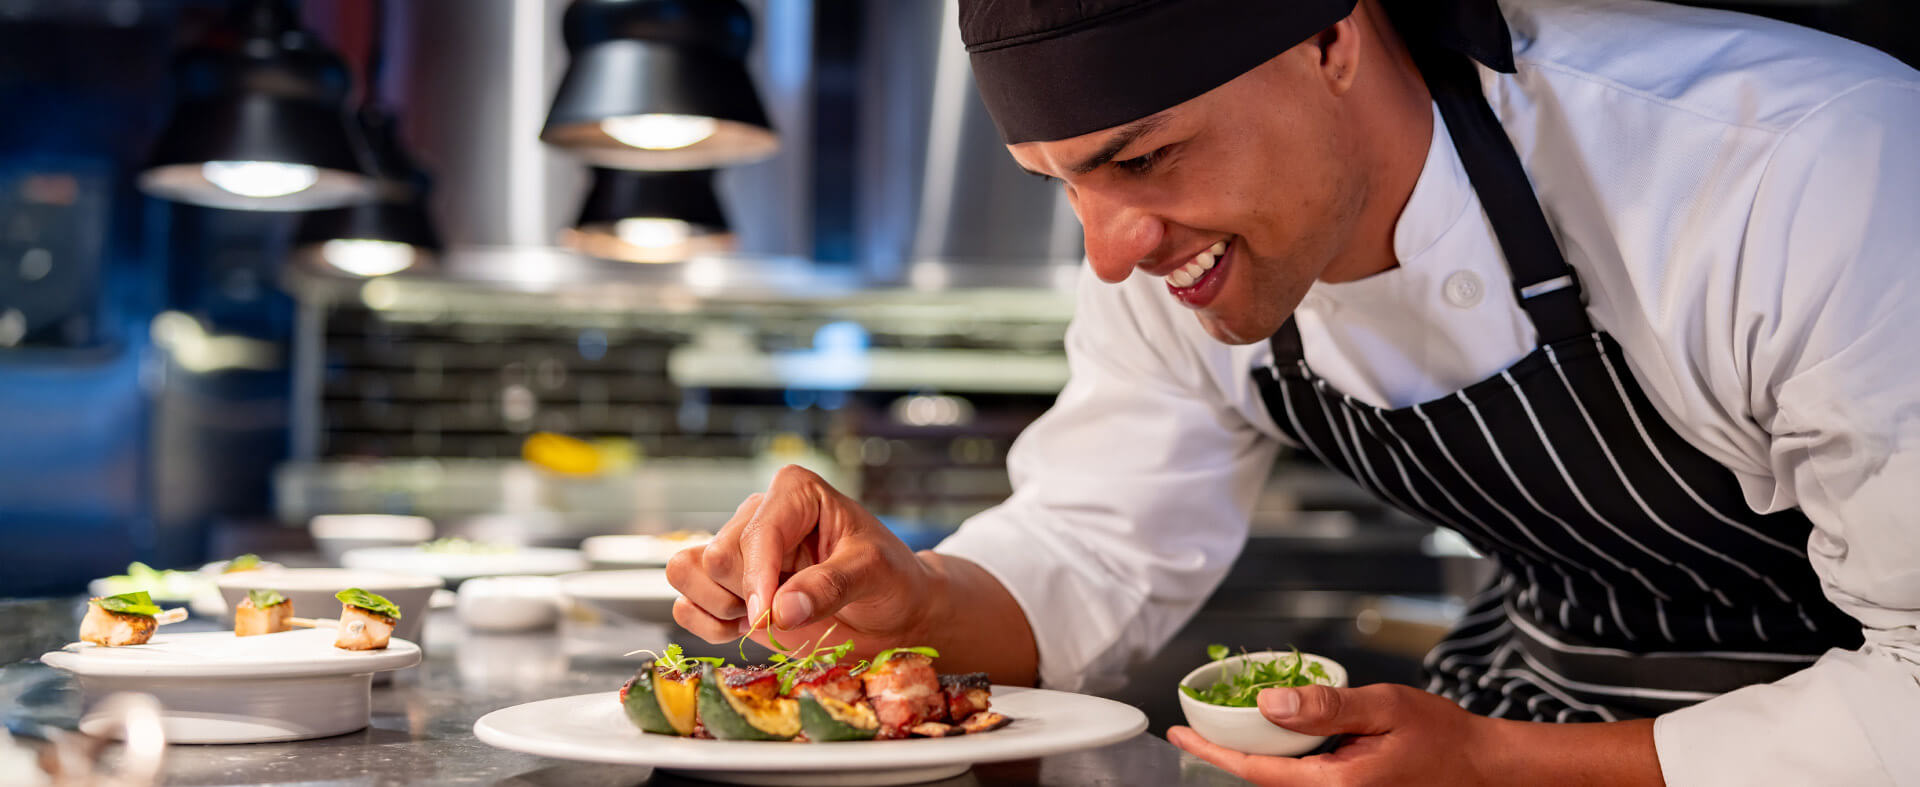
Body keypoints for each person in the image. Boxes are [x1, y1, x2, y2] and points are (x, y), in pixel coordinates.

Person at [666, 0, 1920, 782]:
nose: (1110, 253)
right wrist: (912, 596)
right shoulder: (1174, 252)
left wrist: (1496, 762)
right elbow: (1093, 547)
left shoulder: (1797, 175)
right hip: (1522, 706)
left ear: (1330, 38)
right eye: (1063, 184)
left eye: (1143, 158)